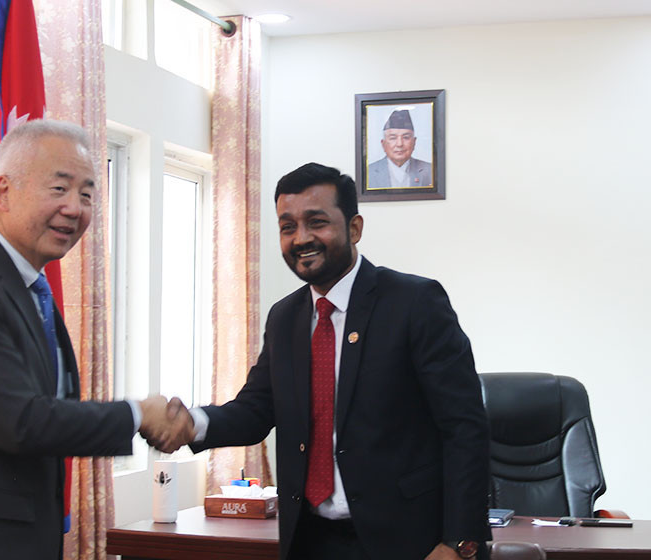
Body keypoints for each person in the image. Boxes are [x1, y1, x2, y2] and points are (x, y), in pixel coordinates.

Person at [0, 120, 191, 560]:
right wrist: (138, 414)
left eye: (87, 195)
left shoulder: (31, 290)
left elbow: (51, 411)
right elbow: (21, 421)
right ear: (4, 191)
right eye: (59, 189)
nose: (74, 208)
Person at [180, 163, 491, 559]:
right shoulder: (285, 317)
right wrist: (190, 424)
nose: (301, 238)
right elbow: (256, 410)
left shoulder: (415, 303)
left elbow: (465, 427)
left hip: (407, 541)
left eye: (317, 222)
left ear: (354, 228)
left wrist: (459, 543)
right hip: (310, 539)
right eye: (287, 227)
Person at [366, 109, 433, 189]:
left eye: (406, 137)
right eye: (393, 138)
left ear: (414, 142)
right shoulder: (368, 172)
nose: (399, 144)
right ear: (383, 144)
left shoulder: (430, 170)